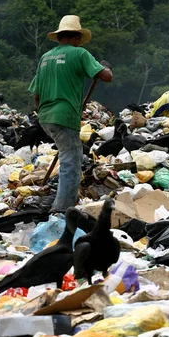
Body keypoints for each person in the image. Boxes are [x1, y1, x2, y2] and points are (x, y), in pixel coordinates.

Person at [28, 15, 113, 212]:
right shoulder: (79, 53)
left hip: (46, 117)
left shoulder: (45, 58)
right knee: (71, 165)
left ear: (59, 37)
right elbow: (106, 77)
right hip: (64, 117)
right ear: (76, 37)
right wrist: (105, 67)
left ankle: (62, 205)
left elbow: (36, 95)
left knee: (68, 155)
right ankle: (61, 211)